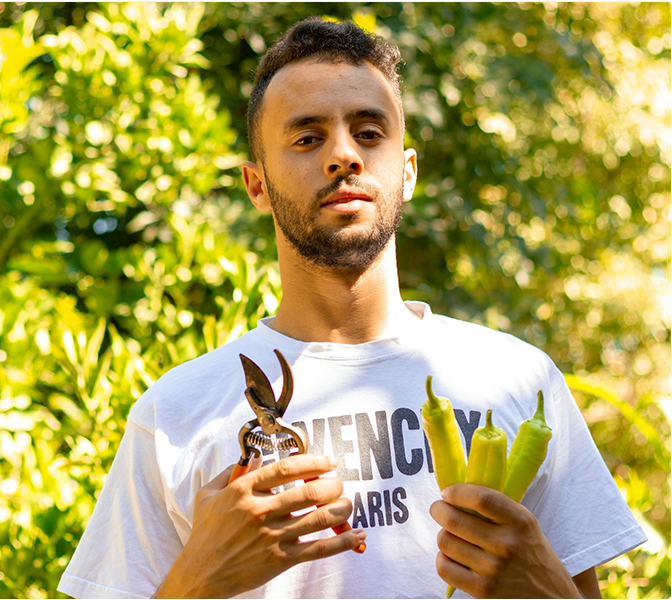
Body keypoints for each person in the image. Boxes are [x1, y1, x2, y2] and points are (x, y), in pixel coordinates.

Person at [57, 17, 645, 599]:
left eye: (368, 132)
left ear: (407, 172)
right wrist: (194, 585)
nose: (343, 155)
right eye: (307, 139)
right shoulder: (174, 415)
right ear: (257, 186)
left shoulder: (520, 380)